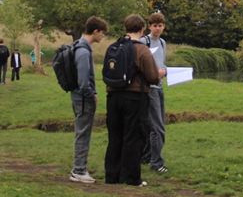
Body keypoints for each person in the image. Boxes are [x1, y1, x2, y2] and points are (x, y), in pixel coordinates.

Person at [104, 14, 164, 187]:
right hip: (134, 97)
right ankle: (131, 177)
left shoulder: (114, 46)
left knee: (115, 136)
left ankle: (112, 175)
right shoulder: (142, 49)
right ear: (142, 29)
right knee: (133, 136)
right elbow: (152, 76)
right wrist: (158, 75)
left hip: (113, 96)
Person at [69, 16, 109, 184]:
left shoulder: (78, 46)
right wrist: (91, 95)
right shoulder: (84, 52)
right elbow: (83, 81)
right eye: (102, 33)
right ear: (95, 31)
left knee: (82, 132)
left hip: (79, 97)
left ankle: (80, 167)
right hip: (83, 100)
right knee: (83, 134)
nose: (103, 36)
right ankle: (79, 170)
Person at [140, 12, 169, 173]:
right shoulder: (144, 42)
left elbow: (160, 63)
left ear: (164, 27)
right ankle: (157, 163)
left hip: (160, 86)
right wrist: (155, 73)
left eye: (160, 26)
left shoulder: (163, 43)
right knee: (157, 127)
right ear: (149, 26)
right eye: (155, 26)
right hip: (149, 88)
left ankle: (147, 156)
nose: (157, 29)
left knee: (156, 124)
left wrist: (166, 71)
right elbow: (140, 66)